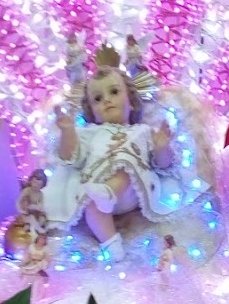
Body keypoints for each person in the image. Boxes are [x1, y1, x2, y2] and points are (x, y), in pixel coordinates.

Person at [43, 61, 177, 261]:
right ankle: (112, 246)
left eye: (114, 92)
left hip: (132, 190)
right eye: (98, 98)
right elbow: (71, 158)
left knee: (125, 160)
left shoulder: (142, 131)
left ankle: (110, 192)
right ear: (93, 112)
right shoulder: (90, 133)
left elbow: (163, 166)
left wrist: (161, 148)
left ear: (131, 102)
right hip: (96, 193)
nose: (106, 100)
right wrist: (68, 131)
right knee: (92, 207)